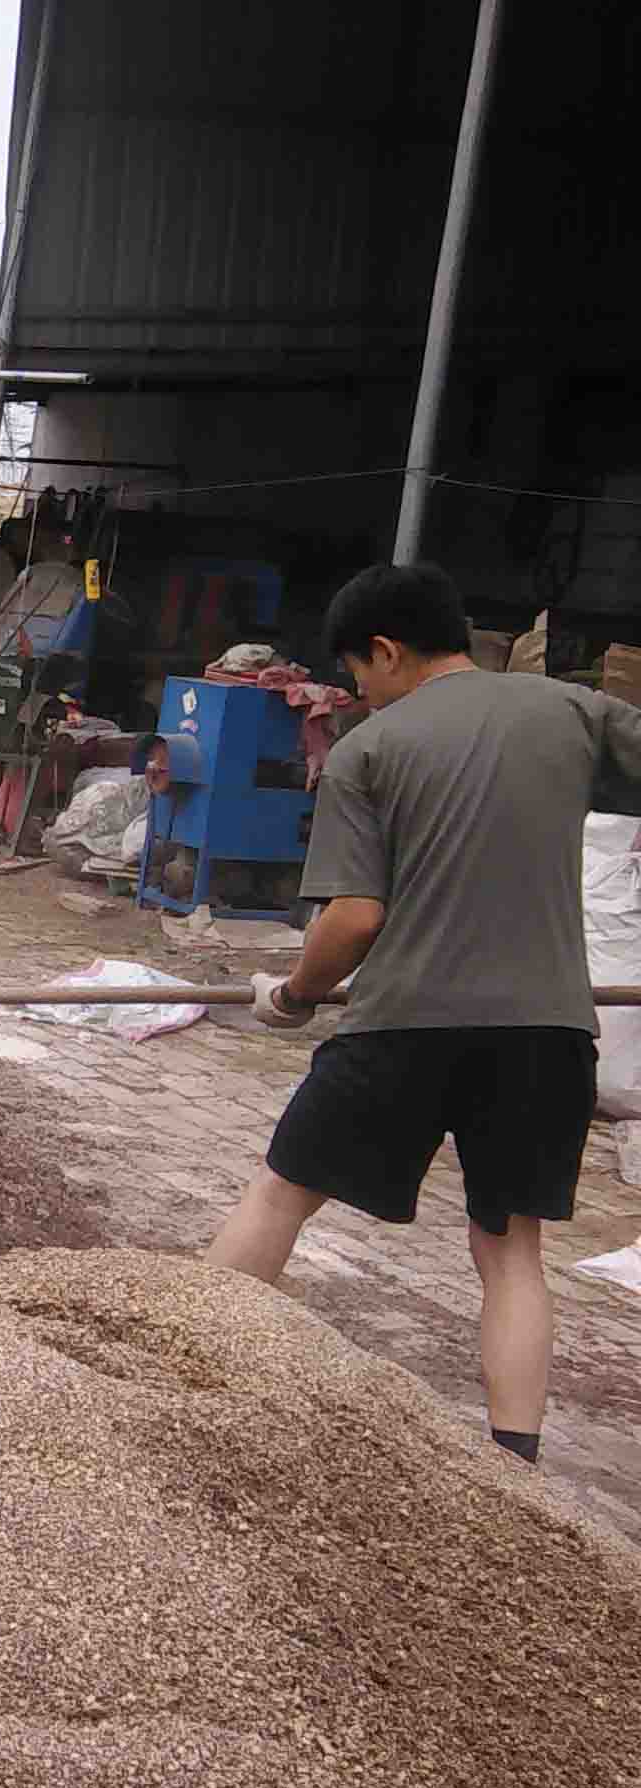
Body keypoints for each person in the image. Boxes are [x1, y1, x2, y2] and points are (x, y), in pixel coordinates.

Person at [207, 562, 641, 1469]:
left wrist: (291, 997)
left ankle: (179, 1372)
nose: (359, 693)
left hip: (404, 1023)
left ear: (389, 651)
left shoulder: (372, 750)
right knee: (512, 1249)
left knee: (283, 1193)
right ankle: (514, 1460)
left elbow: (355, 919)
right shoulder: (572, 712)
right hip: (547, 1033)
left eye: (359, 673)